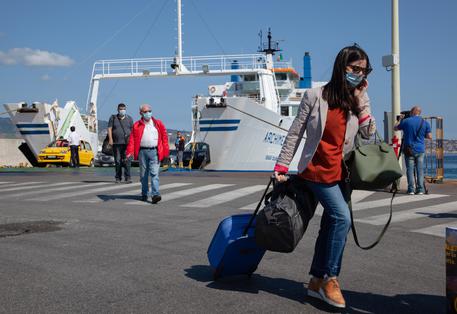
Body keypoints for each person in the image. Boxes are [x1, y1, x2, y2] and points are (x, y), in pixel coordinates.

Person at [273, 45, 376, 309]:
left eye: (364, 70)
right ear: (342, 66)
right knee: (342, 217)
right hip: (316, 170)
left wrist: (362, 102)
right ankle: (331, 277)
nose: (359, 74)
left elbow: (368, 133)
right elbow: (295, 132)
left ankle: (316, 282)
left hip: (342, 173)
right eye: (355, 69)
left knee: (330, 225)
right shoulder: (314, 96)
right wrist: (282, 166)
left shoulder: (357, 99)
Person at [126, 104, 169, 204]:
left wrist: (166, 154)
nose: (148, 113)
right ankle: (144, 193)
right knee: (143, 175)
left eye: (150, 111)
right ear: (141, 113)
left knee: (154, 174)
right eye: (145, 111)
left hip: (155, 151)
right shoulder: (136, 125)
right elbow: (132, 139)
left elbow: (164, 138)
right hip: (142, 152)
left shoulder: (158, 123)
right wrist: (129, 152)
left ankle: (155, 194)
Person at [394, 106, 432, 195]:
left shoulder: (406, 121)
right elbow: (430, 136)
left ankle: (411, 189)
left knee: (410, 170)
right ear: (419, 113)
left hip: (408, 149)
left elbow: (395, 128)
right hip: (420, 149)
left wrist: (399, 119)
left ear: (412, 112)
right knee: (420, 170)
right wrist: (422, 136)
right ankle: (420, 190)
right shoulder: (425, 122)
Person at [108, 103, 134, 183]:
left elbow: (133, 131)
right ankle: (118, 177)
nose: (122, 110)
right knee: (118, 161)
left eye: (123, 109)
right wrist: (110, 139)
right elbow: (109, 129)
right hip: (116, 143)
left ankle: (128, 177)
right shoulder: (113, 118)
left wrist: (133, 142)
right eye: (121, 109)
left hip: (127, 144)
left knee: (127, 161)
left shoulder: (129, 118)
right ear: (118, 110)